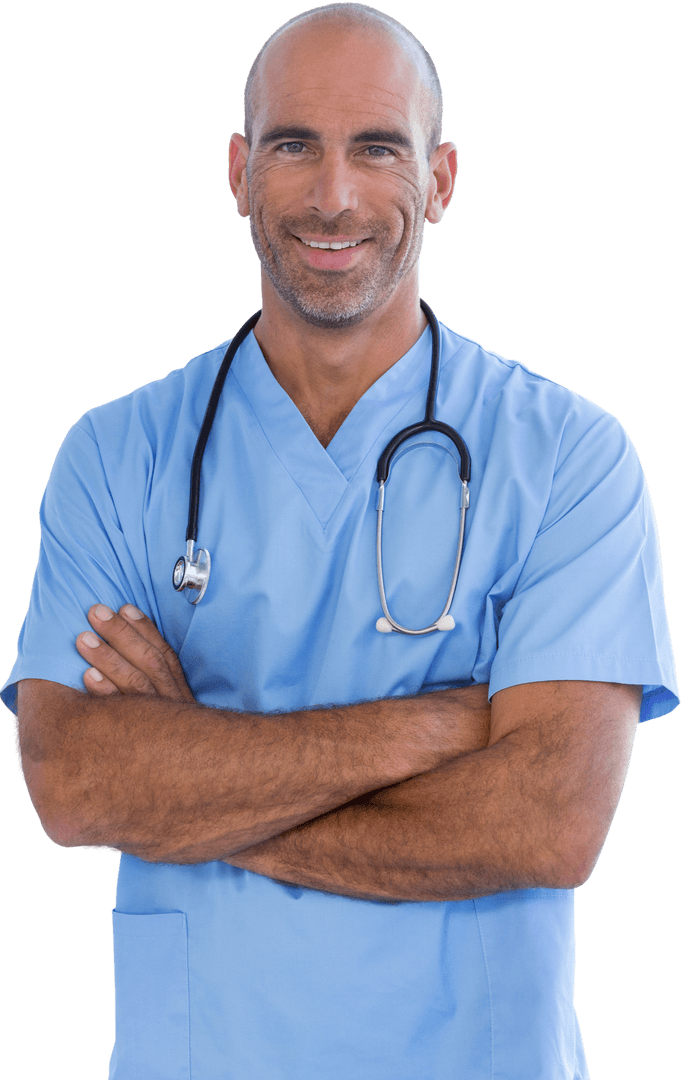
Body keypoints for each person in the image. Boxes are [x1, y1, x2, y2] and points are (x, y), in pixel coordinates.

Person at [5, 3, 677, 1078]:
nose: (332, 195)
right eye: (292, 146)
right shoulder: (115, 455)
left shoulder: (568, 456)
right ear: (237, 171)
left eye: (377, 148)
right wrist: (438, 728)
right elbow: (74, 783)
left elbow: (549, 821)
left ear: (442, 179)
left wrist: (191, 781)